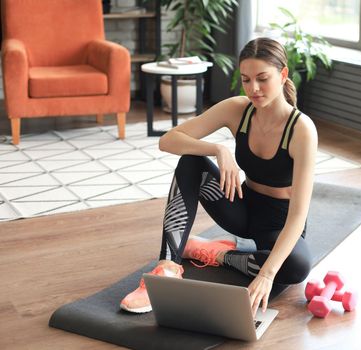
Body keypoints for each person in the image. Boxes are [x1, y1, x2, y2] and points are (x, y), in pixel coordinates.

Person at [120, 37, 318, 316]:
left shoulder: (301, 130)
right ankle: (166, 267)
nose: (254, 89)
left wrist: (266, 275)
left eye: (263, 78)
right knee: (191, 162)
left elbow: (298, 216)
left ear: (283, 74)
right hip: (241, 206)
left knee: (296, 267)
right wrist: (216, 149)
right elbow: (168, 140)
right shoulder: (238, 109)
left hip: (278, 222)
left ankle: (218, 254)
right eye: (246, 80)